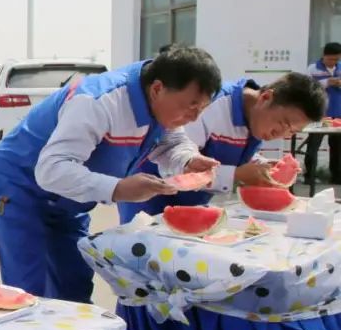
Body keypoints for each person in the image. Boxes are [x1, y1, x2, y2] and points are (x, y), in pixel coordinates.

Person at [0, 45, 222, 304]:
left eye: (201, 109)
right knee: (27, 288)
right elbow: (52, 169)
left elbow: (170, 143)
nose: (193, 118)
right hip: (20, 185)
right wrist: (118, 188)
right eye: (191, 106)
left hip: (70, 198)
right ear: (157, 89)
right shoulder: (98, 101)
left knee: (74, 285)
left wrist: (188, 160)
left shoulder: (162, 106)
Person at [118, 71, 326, 222]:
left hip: (193, 204)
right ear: (265, 97)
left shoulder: (258, 119)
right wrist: (237, 175)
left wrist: (262, 166)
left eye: (292, 131)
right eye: (283, 123)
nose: (281, 134)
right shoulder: (210, 105)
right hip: (149, 198)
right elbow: (177, 162)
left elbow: (233, 156)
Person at [305, 41, 341, 184]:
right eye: (330, 59)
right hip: (319, 113)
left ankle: (337, 177)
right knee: (313, 145)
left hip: (338, 113)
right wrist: (327, 82)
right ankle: (310, 176)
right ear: (324, 55)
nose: (333, 62)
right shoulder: (313, 68)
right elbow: (307, 87)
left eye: (336, 59)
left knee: (337, 147)